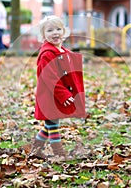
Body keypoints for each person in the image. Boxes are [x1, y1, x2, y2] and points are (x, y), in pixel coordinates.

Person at [31, 15, 86, 161]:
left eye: (58, 29)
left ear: (64, 32)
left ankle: (36, 149)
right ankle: (59, 153)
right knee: (53, 123)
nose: (55, 33)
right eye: (50, 30)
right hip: (50, 95)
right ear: (43, 36)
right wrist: (63, 94)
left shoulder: (61, 50)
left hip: (54, 95)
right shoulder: (47, 54)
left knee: (50, 123)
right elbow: (49, 77)